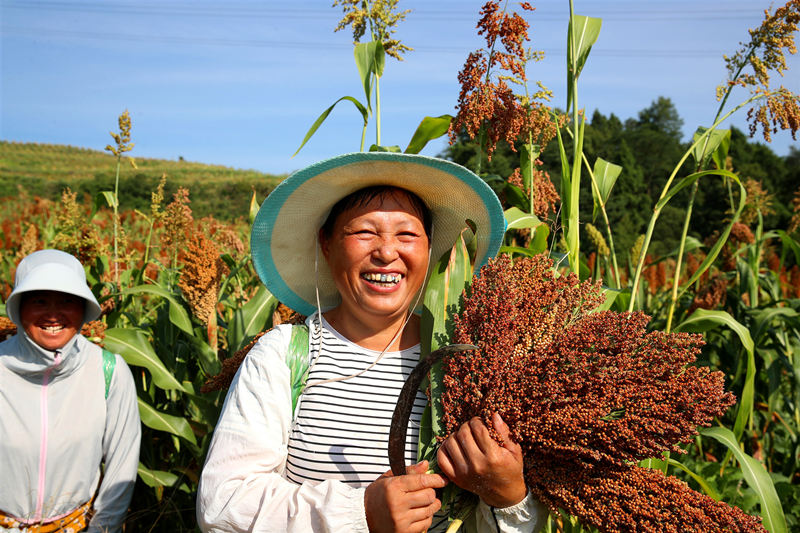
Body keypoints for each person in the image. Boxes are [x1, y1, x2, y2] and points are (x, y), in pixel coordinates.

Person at [197, 152, 547, 532]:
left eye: (407, 234)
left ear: (430, 251)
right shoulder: (283, 355)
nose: (385, 252)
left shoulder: (467, 367)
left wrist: (510, 496)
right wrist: (360, 512)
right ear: (326, 244)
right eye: (364, 231)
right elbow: (222, 505)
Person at [0, 249, 141, 533]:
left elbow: (121, 466)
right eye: (39, 301)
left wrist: (102, 529)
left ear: (82, 309)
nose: (54, 315)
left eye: (67, 301)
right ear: (20, 309)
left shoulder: (108, 371)